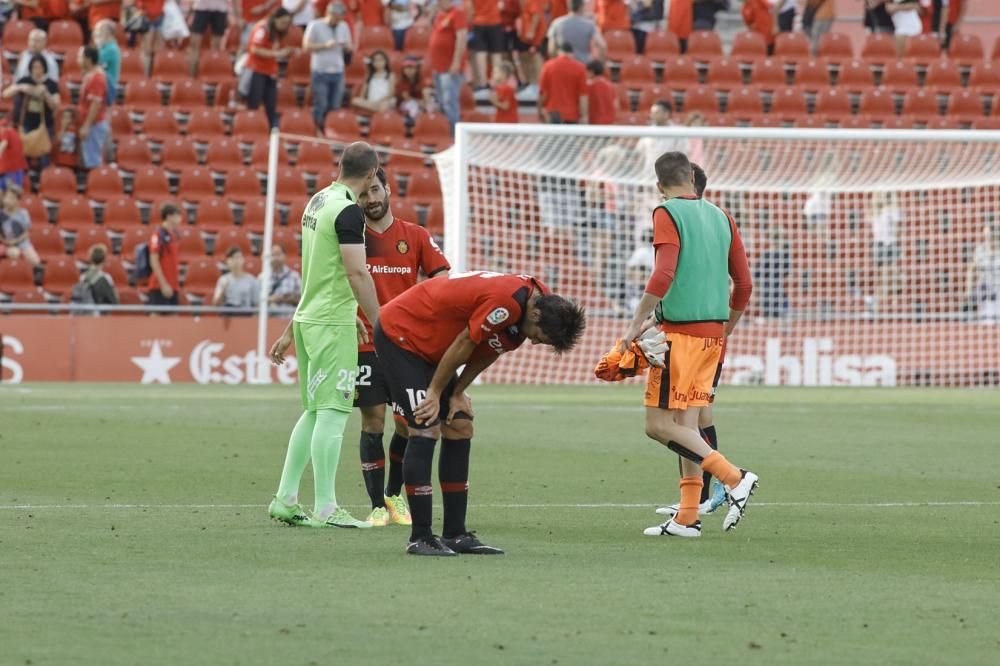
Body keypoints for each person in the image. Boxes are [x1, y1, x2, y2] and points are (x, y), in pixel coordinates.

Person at [374, 271, 585, 555]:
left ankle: (455, 534)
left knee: (460, 425)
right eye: (538, 337)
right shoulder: (507, 303)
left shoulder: (538, 302)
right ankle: (420, 537)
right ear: (534, 317)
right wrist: (435, 392)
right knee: (425, 424)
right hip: (402, 335)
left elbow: (491, 349)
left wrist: (458, 392)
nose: (534, 343)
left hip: (433, 349)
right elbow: (465, 342)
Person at [615, 151, 757, 538]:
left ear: (660, 186)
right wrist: (726, 328)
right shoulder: (722, 216)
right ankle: (687, 518)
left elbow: (664, 272)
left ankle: (735, 478)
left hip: (681, 337)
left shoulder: (666, 212)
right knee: (686, 426)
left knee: (657, 424)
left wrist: (633, 324)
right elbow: (744, 284)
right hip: (713, 336)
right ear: (692, 179)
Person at [266, 142, 382, 529]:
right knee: (333, 413)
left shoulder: (317, 201)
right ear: (371, 174)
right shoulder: (349, 211)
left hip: (310, 319)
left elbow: (318, 271)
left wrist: (291, 327)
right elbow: (355, 273)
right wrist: (380, 319)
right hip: (330, 325)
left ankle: (285, 498)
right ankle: (328, 507)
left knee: (315, 411)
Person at [356, 167, 451, 526]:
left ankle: (395, 494)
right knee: (373, 421)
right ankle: (377, 505)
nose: (372, 199)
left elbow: (442, 276)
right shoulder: (353, 239)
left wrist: (427, 304)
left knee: (408, 425)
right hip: (365, 340)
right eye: (365, 194)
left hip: (403, 344)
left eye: (376, 190)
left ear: (389, 190)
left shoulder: (415, 235)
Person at [654, 162, 728, 520]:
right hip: (711, 332)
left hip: (697, 334)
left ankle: (724, 484)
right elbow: (740, 285)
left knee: (690, 417)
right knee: (693, 414)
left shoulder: (696, 222)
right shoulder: (713, 223)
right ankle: (696, 501)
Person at [304, 1, 353, 131]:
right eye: (335, 16)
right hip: (320, 70)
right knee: (321, 103)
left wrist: (347, 47)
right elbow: (306, 46)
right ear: (328, 13)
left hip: (338, 70)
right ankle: (317, 129)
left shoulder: (343, 26)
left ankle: (331, 129)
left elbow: (349, 45)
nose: (337, 20)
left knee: (335, 104)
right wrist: (324, 45)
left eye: (340, 17)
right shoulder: (315, 25)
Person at [246, 7, 295, 129]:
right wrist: (277, 53)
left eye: (287, 23)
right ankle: (251, 128)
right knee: (254, 103)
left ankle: (268, 131)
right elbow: (255, 49)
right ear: (275, 19)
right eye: (283, 22)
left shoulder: (279, 32)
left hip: (271, 71)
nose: (285, 25)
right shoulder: (263, 28)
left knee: (271, 105)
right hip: (257, 70)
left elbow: (279, 47)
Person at [3, 56, 59, 161]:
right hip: (26, 123)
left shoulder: (51, 84)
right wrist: (22, 87)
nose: (37, 70)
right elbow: (5, 94)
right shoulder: (25, 80)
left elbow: (55, 106)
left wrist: (45, 93)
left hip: (45, 124)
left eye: (39, 67)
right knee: (24, 154)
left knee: (44, 156)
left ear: (44, 68)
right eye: (34, 67)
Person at [427, 0, 467, 132]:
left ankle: (454, 134)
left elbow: (461, 38)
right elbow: (430, 29)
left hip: (449, 67)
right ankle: (444, 132)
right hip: (438, 67)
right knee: (441, 102)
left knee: (450, 102)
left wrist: (456, 62)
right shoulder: (439, 15)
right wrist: (432, 13)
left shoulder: (457, 13)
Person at [77, 45, 110, 171]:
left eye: (81, 57)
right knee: (88, 159)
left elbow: (95, 104)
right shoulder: (90, 75)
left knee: (93, 161)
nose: (78, 59)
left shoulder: (97, 78)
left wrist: (86, 125)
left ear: (88, 59)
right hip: (91, 123)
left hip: (94, 125)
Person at [538, 42, 588, 124]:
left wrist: (539, 110)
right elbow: (583, 96)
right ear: (572, 53)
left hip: (552, 113)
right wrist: (584, 116)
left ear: (558, 52)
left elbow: (543, 93)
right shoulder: (580, 68)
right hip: (572, 114)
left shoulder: (548, 66)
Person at [869, 191, 903, 303]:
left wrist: (894, 238)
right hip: (879, 242)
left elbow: (898, 227)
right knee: (880, 272)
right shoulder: (874, 210)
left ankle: (893, 297)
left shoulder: (893, 209)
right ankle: (880, 297)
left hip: (890, 242)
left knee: (891, 270)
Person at [147, 202, 182, 307]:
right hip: (159, 286)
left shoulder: (174, 235)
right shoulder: (157, 235)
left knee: (172, 321)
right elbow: (154, 260)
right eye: (177, 215)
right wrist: (163, 284)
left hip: (173, 286)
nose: (180, 218)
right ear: (169, 216)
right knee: (157, 320)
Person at [467, 0, 505, 96]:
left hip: (479, 21)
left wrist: (471, 21)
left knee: (480, 53)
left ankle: (483, 84)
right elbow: (502, 5)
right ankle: (498, 84)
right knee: (496, 54)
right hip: (495, 20)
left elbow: (469, 7)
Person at [754, 225, 790, 319]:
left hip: (774, 292)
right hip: (771, 292)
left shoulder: (783, 255)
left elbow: (757, 276)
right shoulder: (769, 255)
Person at [967, 221, 1000, 323]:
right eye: (986, 236)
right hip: (986, 289)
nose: (987, 238)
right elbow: (972, 269)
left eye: (990, 235)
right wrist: (968, 289)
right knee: (988, 320)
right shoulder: (980, 250)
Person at [0, 185, 40, 267]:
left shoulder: (23, 213)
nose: (7, 200)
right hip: (6, 243)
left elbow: (27, 232)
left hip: (22, 243)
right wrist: (5, 241)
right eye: (7, 197)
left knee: (36, 262)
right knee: (14, 253)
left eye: (11, 198)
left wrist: (16, 241)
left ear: (17, 201)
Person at [513, 0, 546, 101]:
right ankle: (531, 84)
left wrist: (531, 30)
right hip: (525, 34)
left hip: (534, 35)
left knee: (534, 59)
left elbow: (536, 15)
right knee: (525, 58)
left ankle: (538, 86)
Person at [188, 0, 230, 75]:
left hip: (220, 9)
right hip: (201, 8)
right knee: (194, 44)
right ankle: (192, 74)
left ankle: (212, 73)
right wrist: (189, 13)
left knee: (216, 46)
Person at [268, 244, 301, 315]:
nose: (276, 258)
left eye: (278, 254)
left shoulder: (294, 276)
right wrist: (271, 299)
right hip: (270, 320)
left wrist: (288, 298)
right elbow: (257, 304)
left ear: (284, 256)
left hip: (289, 319)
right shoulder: (263, 278)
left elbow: (302, 301)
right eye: (273, 255)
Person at [94, 20, 121, 107]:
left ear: (108, 33)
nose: (97, 35)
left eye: (100, 32)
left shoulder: (111, 49)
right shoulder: (105, 47)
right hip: (103, 85)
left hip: (108, 86)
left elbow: (93, 61)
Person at [396, 55, 431, 120]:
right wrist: (420, 102)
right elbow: (406, 97)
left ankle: (427, 122)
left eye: (412, 67)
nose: (409, 70)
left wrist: (425, 102)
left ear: (416, 69)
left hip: (420, 102)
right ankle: (411, 122)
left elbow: (425, 92)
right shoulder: (402, 81)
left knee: (430, 105)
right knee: (413, 105)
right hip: (405, 104)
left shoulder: (420, 79)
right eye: (406, 68)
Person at [586, 60, 617, 125]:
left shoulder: (590, 86)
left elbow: (586, 103)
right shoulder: (610, 85)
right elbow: (616, 104)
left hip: (595, 122)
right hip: (609, 122)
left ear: (591, 72)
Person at [0, 122, 28, 189]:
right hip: (18, 170)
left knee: (11, 194)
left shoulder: (6, 132)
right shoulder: (15, 133)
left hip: (11, 171)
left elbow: (4, 143)